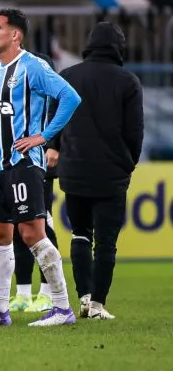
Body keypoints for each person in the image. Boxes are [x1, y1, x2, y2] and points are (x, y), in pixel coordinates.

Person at [0, 8, 81, 328]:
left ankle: (63, 308)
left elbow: (70, 97)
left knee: (31, 233)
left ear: (16, 35)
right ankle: (0, 310)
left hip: (23, 164)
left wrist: (44, 136)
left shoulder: (33, 67)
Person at [54, 22, 143, 320]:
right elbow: (135, 132)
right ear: (119, 46)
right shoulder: (128, 81)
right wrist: (128, 163)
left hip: (73, 169)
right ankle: (98, 305)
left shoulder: (68, 76)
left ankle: (84, 297)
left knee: (80, 234)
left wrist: (58, 151)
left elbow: (54, 120)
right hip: (111, 173)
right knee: (106, 243)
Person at [0, 49, 60, 313]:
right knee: (11, 229)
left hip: (31, 161)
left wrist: (50, 141)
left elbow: (59, 102)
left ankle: (49, 294)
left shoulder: (34, 65)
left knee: (39, 224)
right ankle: (22, 291)